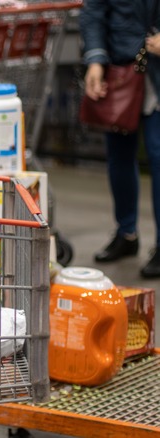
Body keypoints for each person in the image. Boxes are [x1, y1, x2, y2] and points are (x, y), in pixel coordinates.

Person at [81, 0, 160, 277]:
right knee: (119, 157)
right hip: (122, 70)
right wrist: (95, 60)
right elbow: (93, 12)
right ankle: (127, 234)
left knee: (158, 153)